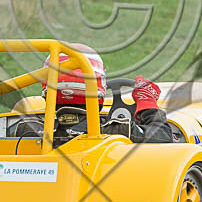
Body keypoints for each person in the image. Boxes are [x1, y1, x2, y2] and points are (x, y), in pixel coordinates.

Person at [15, 43, 173, 143]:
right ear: (97, 85)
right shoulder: (116, 131)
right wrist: (146, 102)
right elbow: (163, 136)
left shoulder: (27, 130)